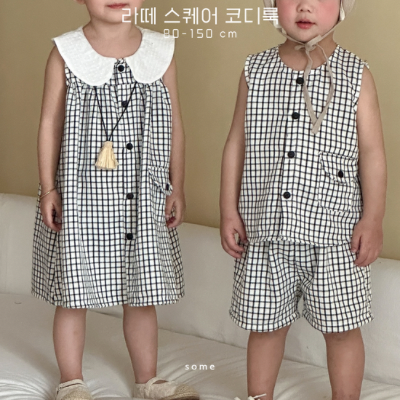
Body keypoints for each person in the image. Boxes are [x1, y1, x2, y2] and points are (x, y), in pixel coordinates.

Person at [32, 1, 199, 399]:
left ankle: (148, 380)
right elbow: (49, 123)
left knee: (141, 289)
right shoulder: (65, 52)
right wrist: (49, 188)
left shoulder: (161, 51)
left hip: (143, 191)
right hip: (81, 191)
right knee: (73, 290)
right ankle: (71, 382)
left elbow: (175, 122)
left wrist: (177, 185)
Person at [220, 0, 386, 399]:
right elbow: (236, 143)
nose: (305, 5)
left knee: (342, 329)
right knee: (265, 326)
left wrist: (373, 219)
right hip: (266, 230)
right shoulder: (255, 70)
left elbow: (372, 153)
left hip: (335, 234)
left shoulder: (356, 74)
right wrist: (228, 210)